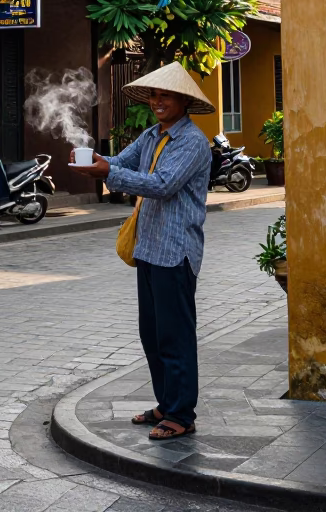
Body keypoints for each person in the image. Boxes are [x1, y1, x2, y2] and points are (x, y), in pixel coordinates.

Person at [73, 61, 213, 441]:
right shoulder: (153, 135)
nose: (157, 101)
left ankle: (181, 414)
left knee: (175, 336)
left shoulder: (192, 142)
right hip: (148, 248)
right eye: (153, 95)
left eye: (165, 95)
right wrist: (98, 163)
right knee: (151, 334)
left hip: (176, 252)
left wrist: (108, 174)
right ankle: (166, 403)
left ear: (184, 101)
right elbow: (122, 162)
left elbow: (162, 184)